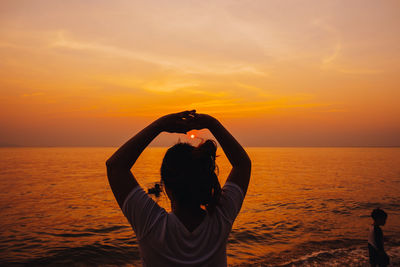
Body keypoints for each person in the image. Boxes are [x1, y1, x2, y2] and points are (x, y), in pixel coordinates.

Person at [106, 110, 251, 266]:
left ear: (166, 187)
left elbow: (115, 167)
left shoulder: (151, 224)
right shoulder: (220, 219)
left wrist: (159, 125)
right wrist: (212, 123)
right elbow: (242, 165)